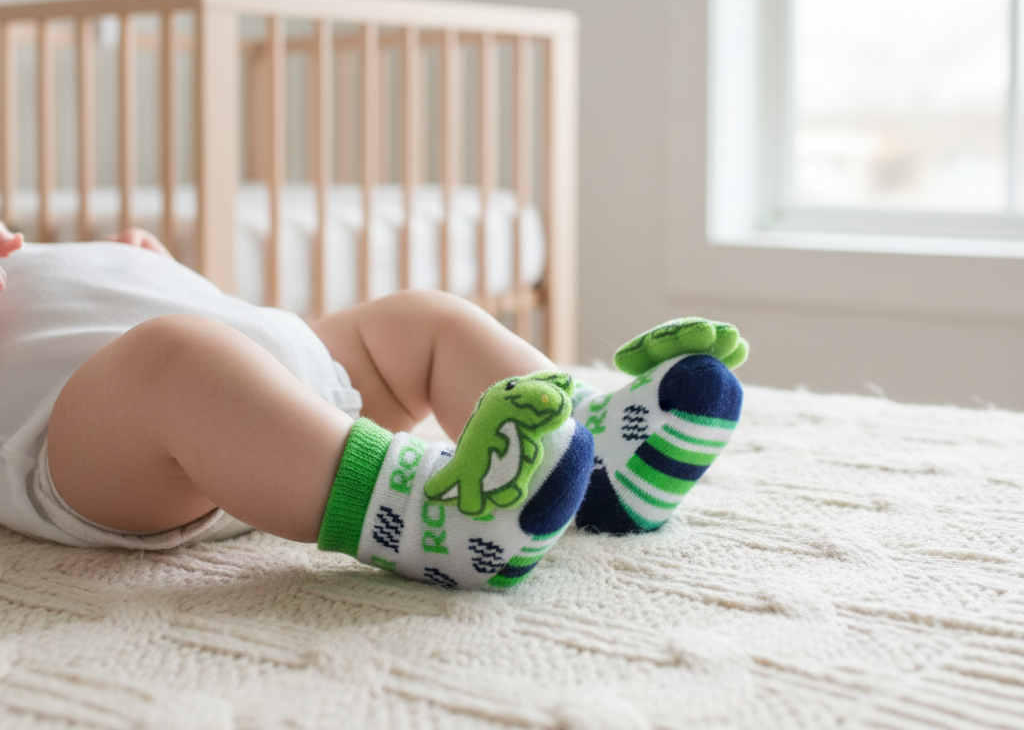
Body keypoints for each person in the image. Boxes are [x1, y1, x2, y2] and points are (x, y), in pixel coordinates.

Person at [0, 220, 747, 590]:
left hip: (284, 374)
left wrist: (136, 260)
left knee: (423, 320)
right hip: (91, 447)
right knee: (171, 359)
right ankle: (439, 514)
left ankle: (599, 463)